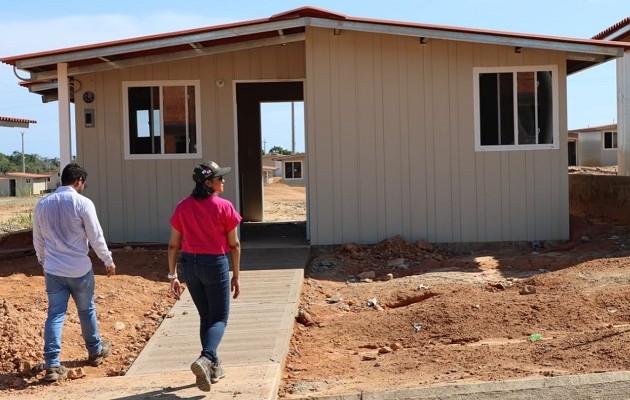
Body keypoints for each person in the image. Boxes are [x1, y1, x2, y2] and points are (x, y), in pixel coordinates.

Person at [32, 163, 116, 382]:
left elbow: (38, 238)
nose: (84, 186)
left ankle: (52, 364)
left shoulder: (42, 204)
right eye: (83, 183)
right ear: (78, 180)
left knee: (55, 315)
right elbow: (96, 236)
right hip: (80, 270)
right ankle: (95, 352)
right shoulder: (83, 203)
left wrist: (43, 261)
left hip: (53, 270)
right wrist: (107, 260)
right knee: (86, 310)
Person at [168, 160, 242, 392]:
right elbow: (235, 244)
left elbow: (173, 245)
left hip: (190, 264)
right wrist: (236, 275)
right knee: (219, 318)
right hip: (214, 264)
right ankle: (206, 358)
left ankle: (212, 366)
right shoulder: (224, 206)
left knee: (205, 317)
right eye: (220, 178)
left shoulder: (183, 206)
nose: (223, 181)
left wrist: (173, 275)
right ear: (208, 183)